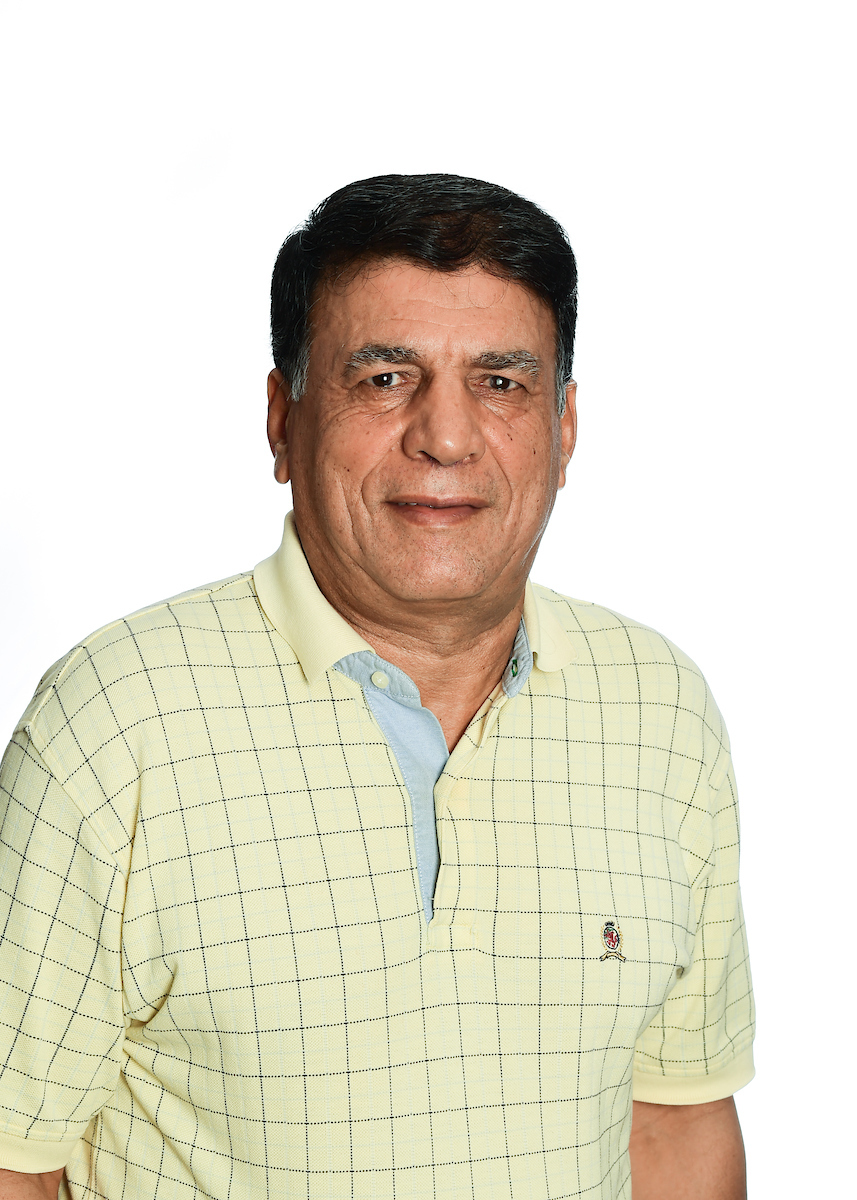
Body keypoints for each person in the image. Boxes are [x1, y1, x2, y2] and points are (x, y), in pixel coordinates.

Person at [0, 174, 754, 1200]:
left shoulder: (658, 711)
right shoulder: (116, 720)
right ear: (283, 420)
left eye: (500, 383)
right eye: (386, 377)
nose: (445, 436)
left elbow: (672, 1121)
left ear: (563, 429)